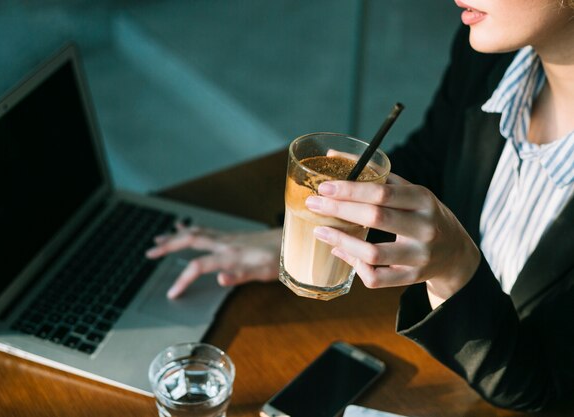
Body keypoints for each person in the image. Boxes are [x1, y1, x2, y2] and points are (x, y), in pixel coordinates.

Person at [146, 0, 574, 411]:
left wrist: (456, 269)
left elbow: (537, 387)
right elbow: (432, 160)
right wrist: (304, 234)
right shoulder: (489, 57)